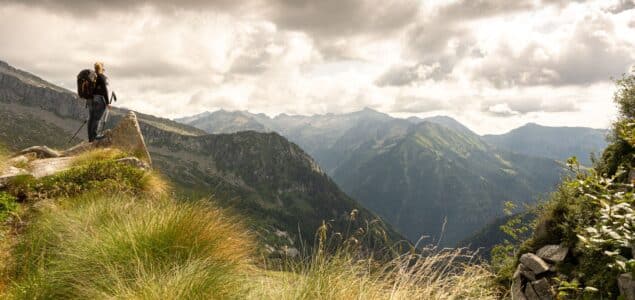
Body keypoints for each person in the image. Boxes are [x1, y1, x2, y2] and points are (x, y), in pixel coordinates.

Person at [88, 62, 110, 142]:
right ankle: (95, 135)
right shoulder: (101, 76)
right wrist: (107, 102)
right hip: (99, 99)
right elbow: (104, 90)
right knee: (97, 118)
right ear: (101, 68)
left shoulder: (92, 76)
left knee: (91, 118)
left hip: (91, 99)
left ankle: (91, 137)